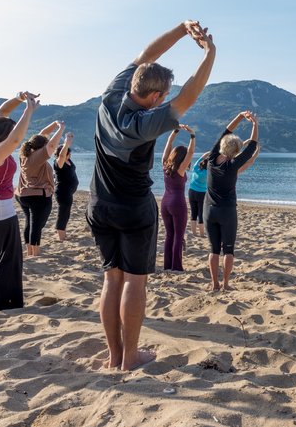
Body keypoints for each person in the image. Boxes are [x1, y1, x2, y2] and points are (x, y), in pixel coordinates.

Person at [85, 20, 215, 370]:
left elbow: (146, 55)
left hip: (98, 204)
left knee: (111, 280)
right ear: (156, 97)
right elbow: (189, 95)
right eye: (162, 96)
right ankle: (130, 357)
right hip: (133, 209)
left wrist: (180, 29)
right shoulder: (144, 123)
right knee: (134, 282)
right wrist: (209, 54)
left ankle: (113, 356)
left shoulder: (110, 96)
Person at [204, 111, 258, 291]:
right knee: (228, 250)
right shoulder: (233, 165)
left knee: (213, 250)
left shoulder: (211, 158)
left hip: (209, 211)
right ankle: (226, 284)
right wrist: (255, 125)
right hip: (227, 211)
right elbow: (252, 147)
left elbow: (226, 130)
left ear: (221, 145)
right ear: (235, 151)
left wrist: (240, 116)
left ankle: (214, 284)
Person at [0, 92, 39, 310]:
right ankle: (5, 303)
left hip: (1, 212)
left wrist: (19, 97)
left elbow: (2, 112)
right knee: (9, 260)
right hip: (0, 213)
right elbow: (14, 139)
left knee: (3, 257)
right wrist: (28, 111)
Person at [16, 120, 66, 256]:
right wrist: (61, 128)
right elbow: (52, 144)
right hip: (37, 196)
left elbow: (43, 135)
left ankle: (29, 251)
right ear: (41, 147)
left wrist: (54, 124)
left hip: (23, 195)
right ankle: (35, 252)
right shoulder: (37, 157)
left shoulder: (25, 154)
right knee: (37, 224)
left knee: (30, 222)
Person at [161, 125, 195, 271]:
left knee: (169, 234)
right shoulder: (181, 169)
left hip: (165, 202)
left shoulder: (165, 164)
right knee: (178, 235)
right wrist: (192, 136)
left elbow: (168, 144)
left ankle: (167, 265)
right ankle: (176, 267)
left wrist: (174, 132)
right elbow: (191, 153)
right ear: (182, 157)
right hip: (177, 203)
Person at [53, 132, 79, 241]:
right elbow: (62, 155)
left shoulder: (68, 160)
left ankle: (63, 233)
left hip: (68, 192)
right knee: (63, 213)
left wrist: (69, 143)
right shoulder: (58, 163)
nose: (70, 155)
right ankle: (61, 237)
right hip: (63, 192)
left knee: (66, 213)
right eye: (68, 153)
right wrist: (66, 143)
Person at [188, 151, 210, 237]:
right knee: (201, 213)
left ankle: (194, 233)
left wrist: (209, 152)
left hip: (191, 192)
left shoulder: (196, 167)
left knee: (193, 213)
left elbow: (202, 156)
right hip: (201, 194)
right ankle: (201, 234)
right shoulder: (208, 173)